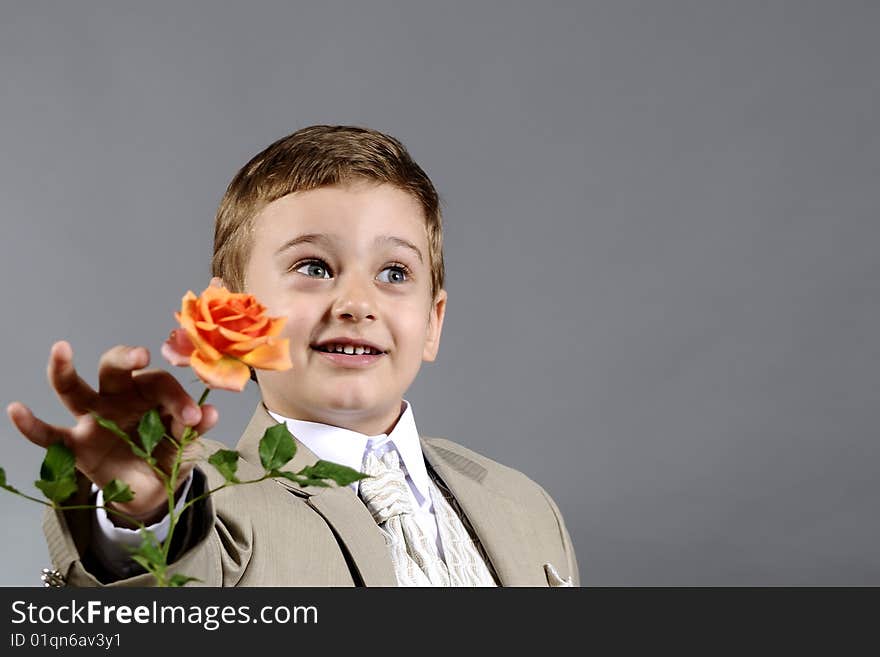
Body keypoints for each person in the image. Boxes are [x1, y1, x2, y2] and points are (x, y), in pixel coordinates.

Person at [8, 125, 579, 587]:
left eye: (394, 272)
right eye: (314, 268)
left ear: (432, 323)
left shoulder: (524, 506)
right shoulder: (212, 500)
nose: (357, 302)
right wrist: (139, 512)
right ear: (233, 310)